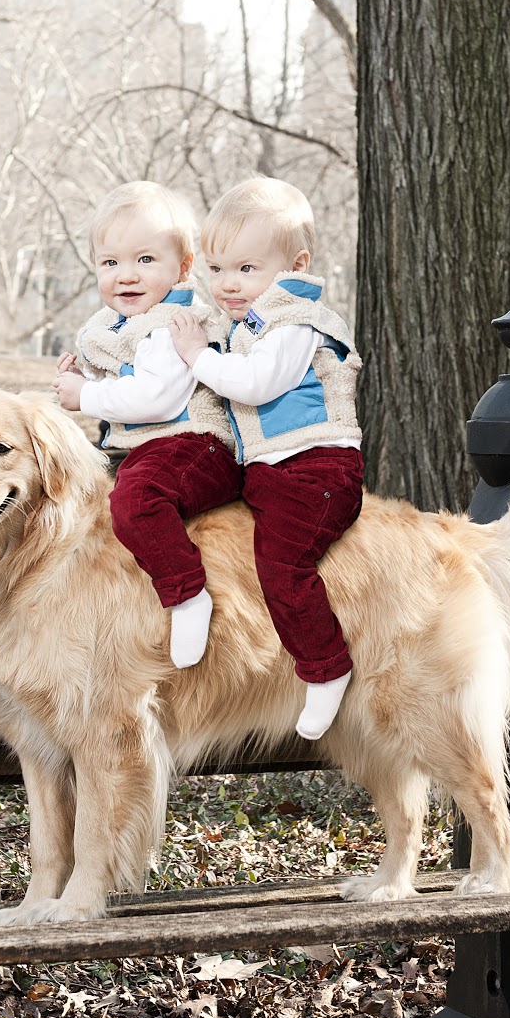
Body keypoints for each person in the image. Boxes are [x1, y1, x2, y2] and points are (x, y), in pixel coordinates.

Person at [166, 177, 363, 739]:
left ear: (295, 264)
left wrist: (197, 355)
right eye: (217, 268)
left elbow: (253, 385)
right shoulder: (244, 322)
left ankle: (326, 668)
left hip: (316, 470)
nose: (228, 284)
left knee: (283, 566)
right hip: (270, 469)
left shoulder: (295, 321)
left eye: (247, 269)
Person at [53, 181, 241, 668]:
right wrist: (81, 376)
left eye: (144, 260)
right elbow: (124, 378)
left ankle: (187, 596)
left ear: (182, 267)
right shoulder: (117, 326)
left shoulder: (172, 325)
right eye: (110, 262)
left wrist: (87, 396)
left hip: (195, 445)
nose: (125, 276)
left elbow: (155, 397)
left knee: (137, 500)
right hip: (149, 449)